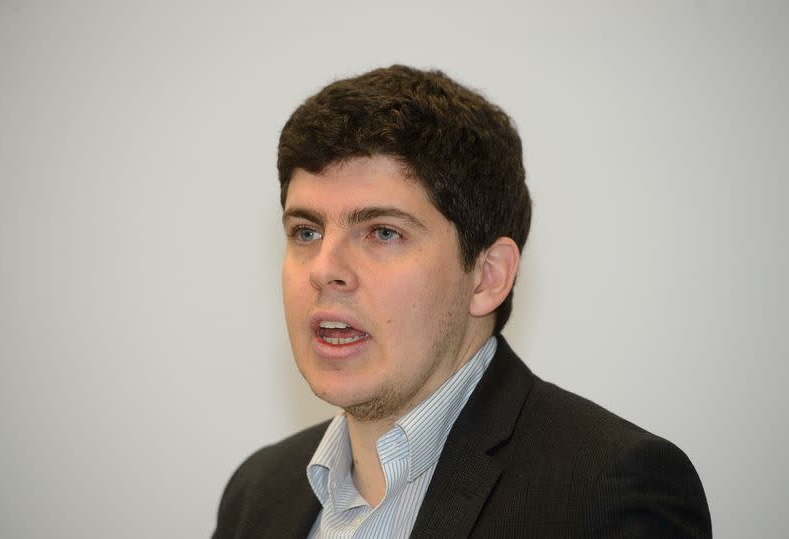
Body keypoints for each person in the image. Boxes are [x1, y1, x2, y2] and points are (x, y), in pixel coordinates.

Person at [212, 65, 711, 538]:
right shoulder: (258, 492)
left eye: (383, 233)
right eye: (306, 231)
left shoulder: (609, 492)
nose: (324, 269)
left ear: (487, 277)